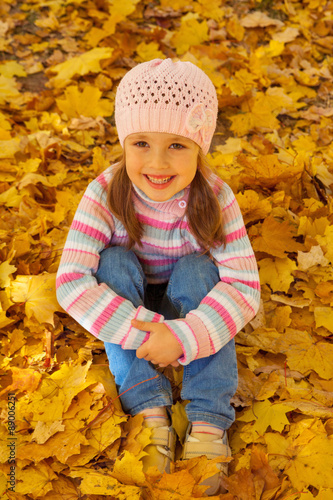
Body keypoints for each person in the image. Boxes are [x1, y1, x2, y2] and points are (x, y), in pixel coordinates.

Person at [56, 58, 260, 495]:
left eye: (178, 145)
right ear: (124, 142)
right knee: (110, 262)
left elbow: (243, 286)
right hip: (129, 305)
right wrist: (148, 332)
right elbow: (72, 280)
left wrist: (185, 337)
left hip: (190, 298)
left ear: (201, 145)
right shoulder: (106, 193)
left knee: (199, 268)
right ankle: (150, 412)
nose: (158, 162)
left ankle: (206, 420)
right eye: (142, 143)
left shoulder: (215, 197)